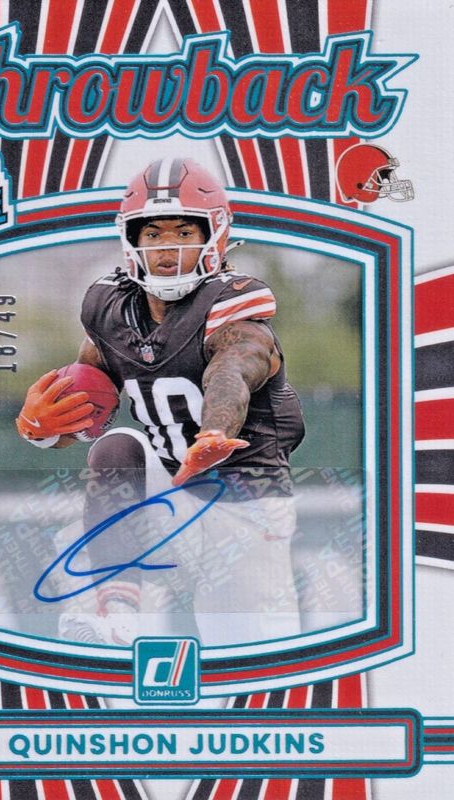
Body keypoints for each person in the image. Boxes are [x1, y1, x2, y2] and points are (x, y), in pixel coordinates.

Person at [16, 158, 305, 647]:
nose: (168, 248)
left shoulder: (235, 309)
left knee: (254, 661)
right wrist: (41, 431)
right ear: (132, 240)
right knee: (116, 454)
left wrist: (214, 433)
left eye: (184, 233)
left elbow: (231, 372)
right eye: (153, 234)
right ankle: (115, 617)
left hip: (246, 510)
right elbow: (86, 415)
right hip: (171, 492)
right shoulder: (111, 312)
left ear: (214, 236)